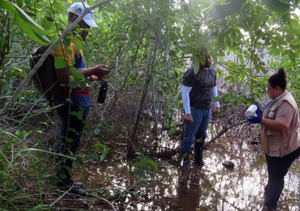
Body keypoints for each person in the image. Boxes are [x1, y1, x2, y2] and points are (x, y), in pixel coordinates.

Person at [52, 2, 110, 195]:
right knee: (69, 141)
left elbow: (77, 72)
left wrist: (91, 75)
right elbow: (63, 75)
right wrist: (93, 70)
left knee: (70, 140)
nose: (86, 30)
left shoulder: (75, 43)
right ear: (72, 20)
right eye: (84, 25)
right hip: (71, 103)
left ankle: (63, 178)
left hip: (78, 101)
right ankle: (63, 183)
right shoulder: (64, 41)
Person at [247, 68, 300, 211]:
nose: (267, 90)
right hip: (276, 145)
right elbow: (274, 116)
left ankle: (271, 205)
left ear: (277, 88)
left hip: (284, 148)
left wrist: (260, 120)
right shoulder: (278, 99)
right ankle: (270, 191)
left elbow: (283, 125)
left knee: (276, 177)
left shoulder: (286, 103)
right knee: (274, 175)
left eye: (268, 88)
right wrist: (260, 114)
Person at [181, 49, 220, 169]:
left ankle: (198, 159)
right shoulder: (192, 72)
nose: (209, 60)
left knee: (201, 135)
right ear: (200, 59)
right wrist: (187, 112)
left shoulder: (212, 72)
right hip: (194, 109)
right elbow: (185, 92)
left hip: (206, 109)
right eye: (207, 58)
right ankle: (186, 161)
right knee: (189, 136)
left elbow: (213, 88)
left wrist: (217, 104)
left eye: (209, 58)